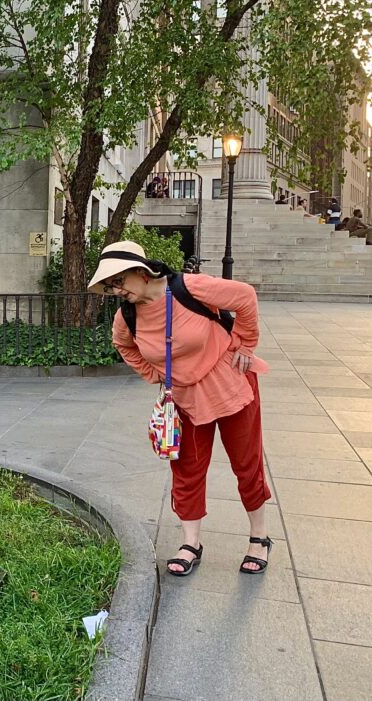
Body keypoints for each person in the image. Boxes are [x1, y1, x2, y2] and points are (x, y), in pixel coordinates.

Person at [88, 241, 273, 577]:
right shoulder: (126, 315)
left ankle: (258, 538)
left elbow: (245, 297)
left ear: (140, 273)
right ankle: (190, 543)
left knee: (246, 463)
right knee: (186, 469)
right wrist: (154, 373)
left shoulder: (189, 287)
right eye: (110, 285)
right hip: (184, 398)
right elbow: (124, 345)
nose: (115, 290)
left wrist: (245, 342)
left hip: (229, 383)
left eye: (118, 281)